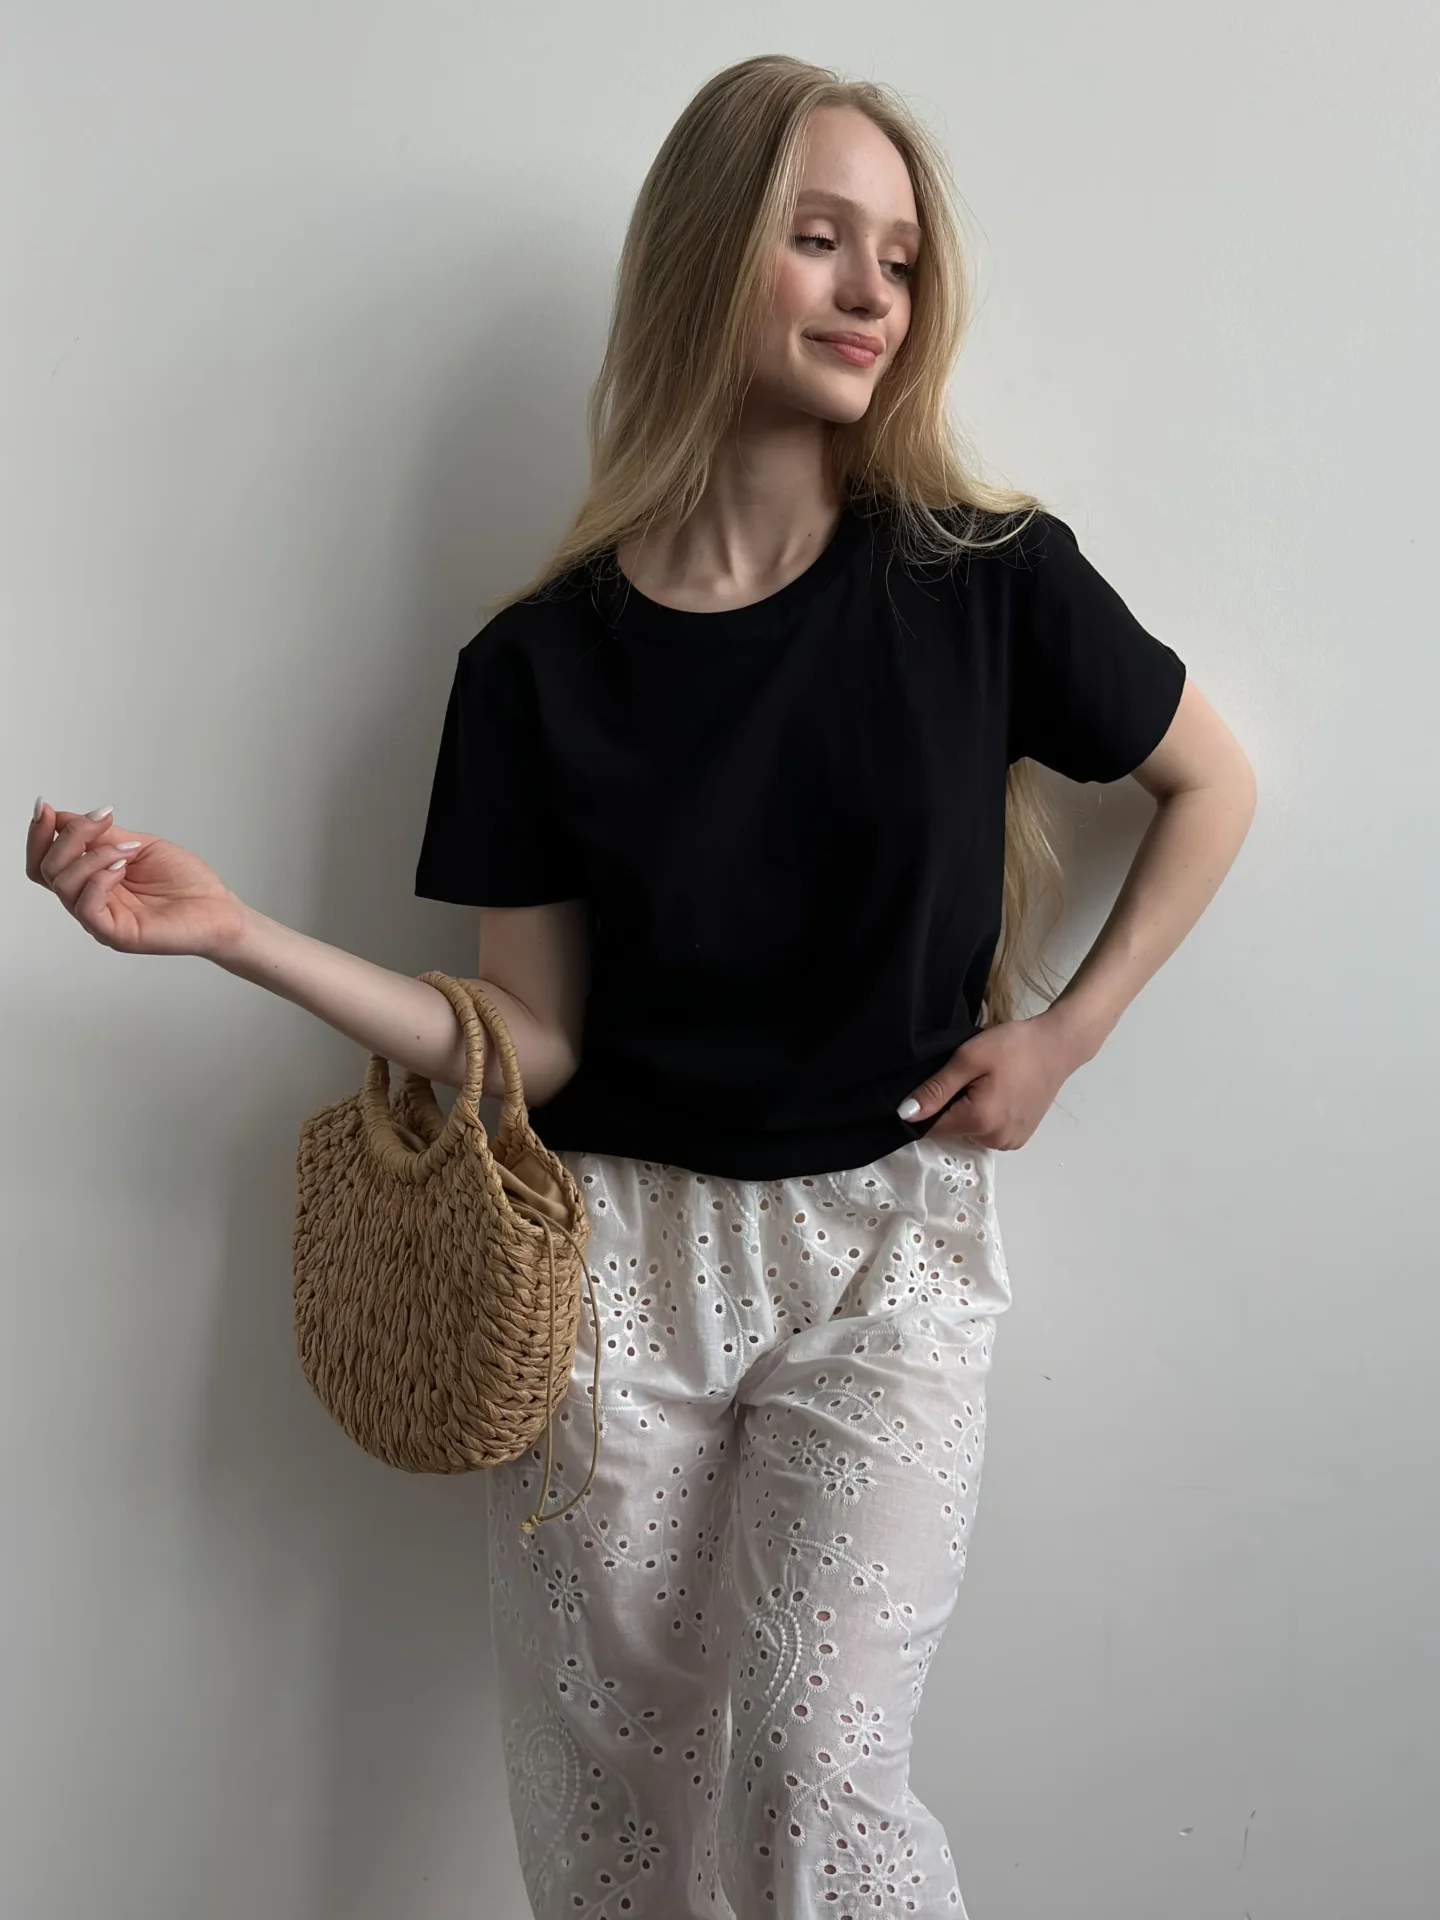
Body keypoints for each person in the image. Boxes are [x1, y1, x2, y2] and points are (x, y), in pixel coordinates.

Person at [26, 52, 1256, 1920]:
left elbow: (1208, 784)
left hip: (888, 1247)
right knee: (611, 1806)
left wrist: (1066, 1038)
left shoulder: (987, 580)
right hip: (611, 1266)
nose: (869, 290)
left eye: (899, 257)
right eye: (819, 237)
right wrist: (236, 935)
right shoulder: (534, 669)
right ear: (706, 255)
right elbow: (530, 1042)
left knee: (815, 1785)